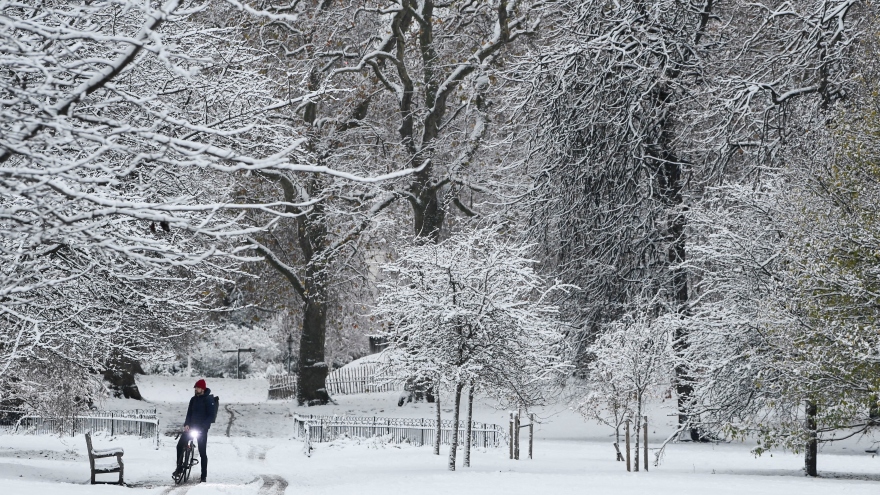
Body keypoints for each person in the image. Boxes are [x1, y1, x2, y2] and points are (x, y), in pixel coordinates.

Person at [173, 379, 216, 483]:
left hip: (202, 430)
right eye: (195, 388)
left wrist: (204, 427)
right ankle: (179, 468)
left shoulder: (208, 400)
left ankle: (203, 476)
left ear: (202, 388)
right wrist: (187, 424)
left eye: (197, 387)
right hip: (191, 427)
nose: (196, 389)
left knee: (202, 452)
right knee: (179, 445)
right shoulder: (193, 400)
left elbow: (210, 415)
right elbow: (189, 413)